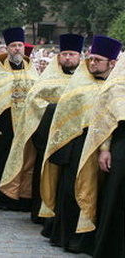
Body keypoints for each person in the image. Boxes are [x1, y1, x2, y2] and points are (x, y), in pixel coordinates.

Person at [39, 35, 118, 254]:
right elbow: (64, 115)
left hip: (104, 149)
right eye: (90, 59)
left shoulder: (117, 87)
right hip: (76, 145)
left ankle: (92, 240)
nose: (92, 63)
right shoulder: (79, 84)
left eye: (97, 60)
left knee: (101, 195)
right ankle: (70, 239)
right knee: (70, 192)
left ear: (111, 63)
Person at [0, 34, 83, 222]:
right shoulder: (47, 79)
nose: (68, 58)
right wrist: (58, 110)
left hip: (75, 140)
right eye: (65, 54)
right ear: (59, 56)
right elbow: (34, 102)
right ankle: (41, 213)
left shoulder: (85, 80)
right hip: (47, 138)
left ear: (79, 57)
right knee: (44, 173)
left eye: (72, 54)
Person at [0, 27, 38, 211]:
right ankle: (3, 199)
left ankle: (23, 199)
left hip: (26, 126)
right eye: (13, 46)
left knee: (26, 163)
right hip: (4, 128)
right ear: (7, 48)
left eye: (20, 45)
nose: (17, 49)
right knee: (3, 162)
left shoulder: (32, 71)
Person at [75, 57, 125, 258]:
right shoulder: (116, 84)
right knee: (118, 196)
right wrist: (104, 149)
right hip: (122, 144)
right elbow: (104, 120)